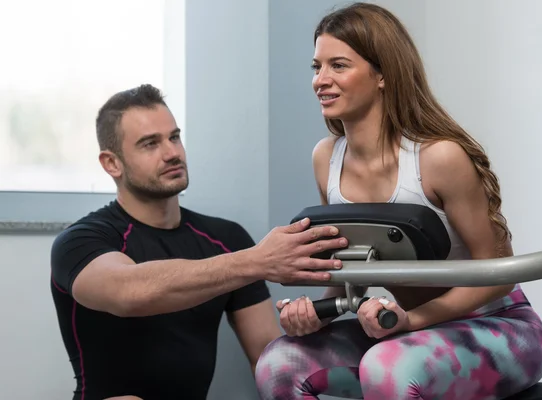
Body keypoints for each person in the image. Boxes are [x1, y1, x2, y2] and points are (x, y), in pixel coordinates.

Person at [254, 3, 542, 399]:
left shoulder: (438, 158)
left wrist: (411, 320)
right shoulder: (326, 159)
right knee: (279, 362)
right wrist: (314, 314)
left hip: (498, 327)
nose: (320, 80)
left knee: (386, 366)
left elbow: (501, 273)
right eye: (316, 67)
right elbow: (347, 269)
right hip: (405, 328)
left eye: (338, 65)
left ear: (382, 74)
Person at [49, 84, 348, 400]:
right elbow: (129, 292)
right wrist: (256, 260)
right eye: (150, 144)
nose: (172, 153)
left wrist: (306, 322)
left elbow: (265, 353)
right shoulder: (80, 242)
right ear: (112, 163)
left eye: (174, 137)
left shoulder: (226, 239)